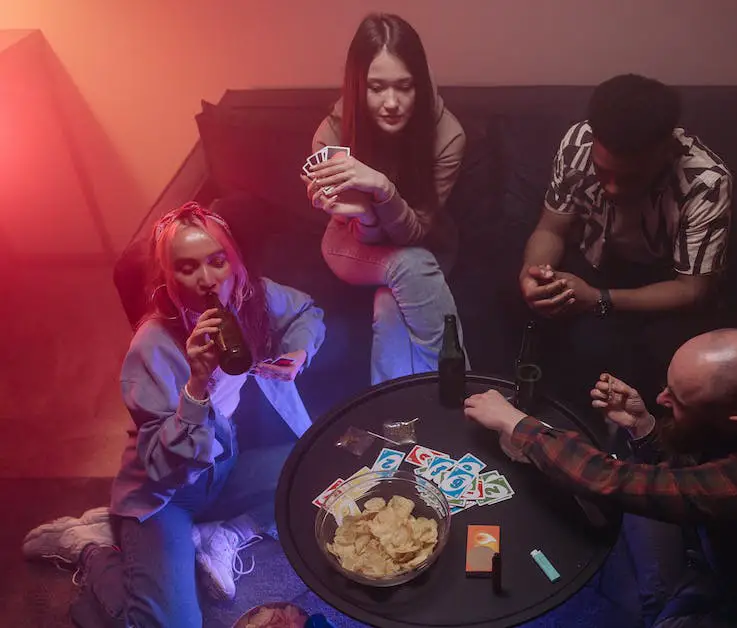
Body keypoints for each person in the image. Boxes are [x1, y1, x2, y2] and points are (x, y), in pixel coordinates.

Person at [22, 202, 327, 627]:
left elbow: (304, 312)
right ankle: (93, 550)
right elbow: (165, 468)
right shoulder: (152, 345)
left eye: (217, 261)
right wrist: (197, 387)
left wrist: (298, 351)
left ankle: (221, 534)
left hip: (225, 466)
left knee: (324, 463)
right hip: (166, 490)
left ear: (235, 264)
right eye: (186, 268)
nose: (207, 280)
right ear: (167, 278)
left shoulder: (249, 296)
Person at [464, 329, 737, 627]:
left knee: (653, 610)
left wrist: (517, 422)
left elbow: (614, 480)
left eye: (675, 400)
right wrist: (643, 425)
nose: (660, 398)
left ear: (733, 419)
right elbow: (692, 471)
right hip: (735, 541)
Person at [518, 73, 731, 418]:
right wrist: (534, 277)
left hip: (662, 280)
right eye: (603, 173)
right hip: (594, 258)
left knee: (605, 347)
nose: (613, 188)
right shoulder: (578, 144)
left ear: (665, 151)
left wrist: (599, 299)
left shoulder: (705, 182)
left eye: (630, 177)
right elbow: (552, 229)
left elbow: (692, 289)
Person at [302, 13, 469, 385]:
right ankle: (459, 394)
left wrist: (381, 189)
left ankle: (392, 420)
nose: (391, 102)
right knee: (412, 266)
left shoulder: (447, 135)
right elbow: (370, 237)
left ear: (420, 85)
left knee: (390, 304)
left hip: (426, 239)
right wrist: (366, 215)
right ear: (358, 86)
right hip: (353, 246)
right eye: (377, 88)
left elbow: (415, 234)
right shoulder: (329, 136)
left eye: (404, 87)